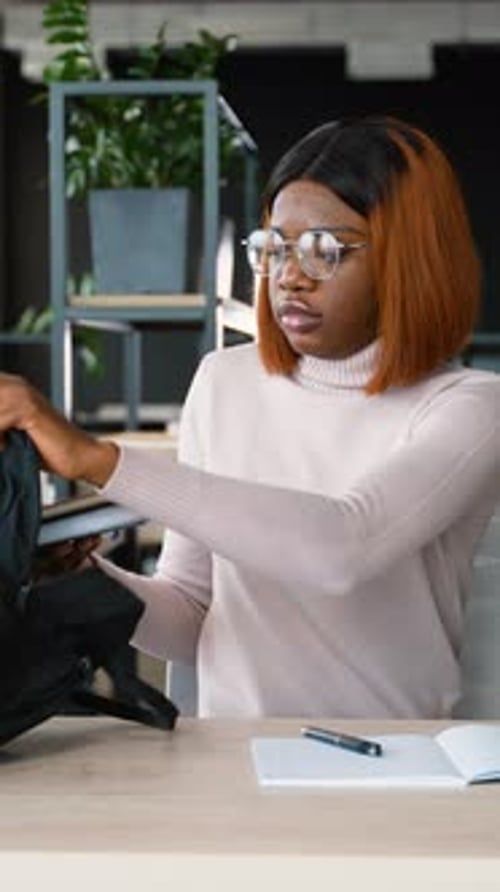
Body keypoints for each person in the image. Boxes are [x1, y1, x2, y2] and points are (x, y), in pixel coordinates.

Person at [0, 114, 499, 719]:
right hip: (234, 764)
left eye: (324, 251)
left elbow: (342, 546)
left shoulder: (470, 408)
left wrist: (95, 459)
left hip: (396, 771)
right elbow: (192, 616)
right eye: (274, 248)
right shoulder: (224, 382)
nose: (289, 276)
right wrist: (81, 578)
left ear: (409, 258)